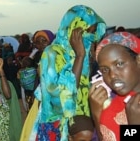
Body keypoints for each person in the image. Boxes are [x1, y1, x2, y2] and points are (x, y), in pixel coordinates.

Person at [21, 5, 106, 141]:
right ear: (73, 29)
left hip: (84, 119)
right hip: (58, 122)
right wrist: (79, 56)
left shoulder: (85, 51)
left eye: (93, 32)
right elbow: (60, 96)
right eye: (87, 32)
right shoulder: (52, 53)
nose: (90, 37)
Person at [89, 31, 140, 141]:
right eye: (105, 70)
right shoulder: (112, 102)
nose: (112, 75)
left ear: (138, 60)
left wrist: (134, 128)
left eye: (119, 64)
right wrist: (96, 114)